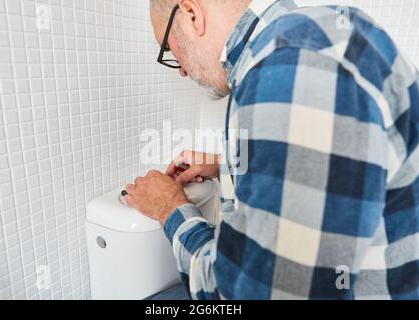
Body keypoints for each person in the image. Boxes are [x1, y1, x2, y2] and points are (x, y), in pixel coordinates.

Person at [124, 0, 419, 299]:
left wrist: (170, 208)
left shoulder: (287, 65)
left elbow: (252, 292)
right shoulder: (314, 35)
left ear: (191, 13)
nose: (181, 72)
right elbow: (344, 172)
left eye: (169, 50)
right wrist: (230, 165)